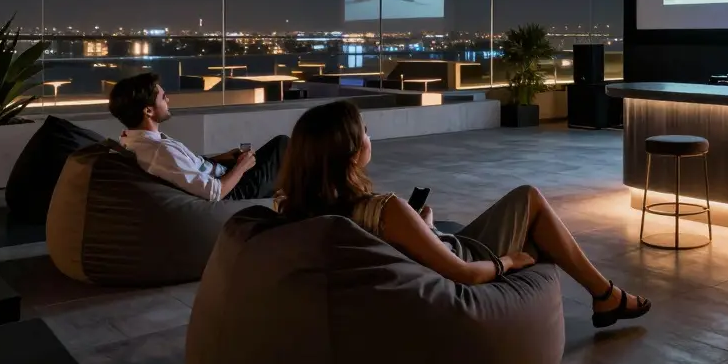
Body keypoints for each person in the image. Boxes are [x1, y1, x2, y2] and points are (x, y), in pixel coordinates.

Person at [273, 100, 652, 329]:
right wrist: (510, 261)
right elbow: (464, 273)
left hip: (429, 255)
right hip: (463, 260)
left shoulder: (291, 206)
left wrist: (423, 228)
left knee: (528, 209)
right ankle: (605, 295)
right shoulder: (383, 208)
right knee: (530, 200)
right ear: (353, 152)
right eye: (366, 132)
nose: (371, 137)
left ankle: (605, 294)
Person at [108, 72, 288, 201]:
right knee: (284, 146)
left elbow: (186, 168)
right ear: (148, 110)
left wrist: (222, 158)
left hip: (219, 173)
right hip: (231, 191)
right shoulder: (158, 151)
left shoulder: (133, 140)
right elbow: (215, 193)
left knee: (278, 149)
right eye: (163, 98)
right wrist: (242, 167)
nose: (168, 101)